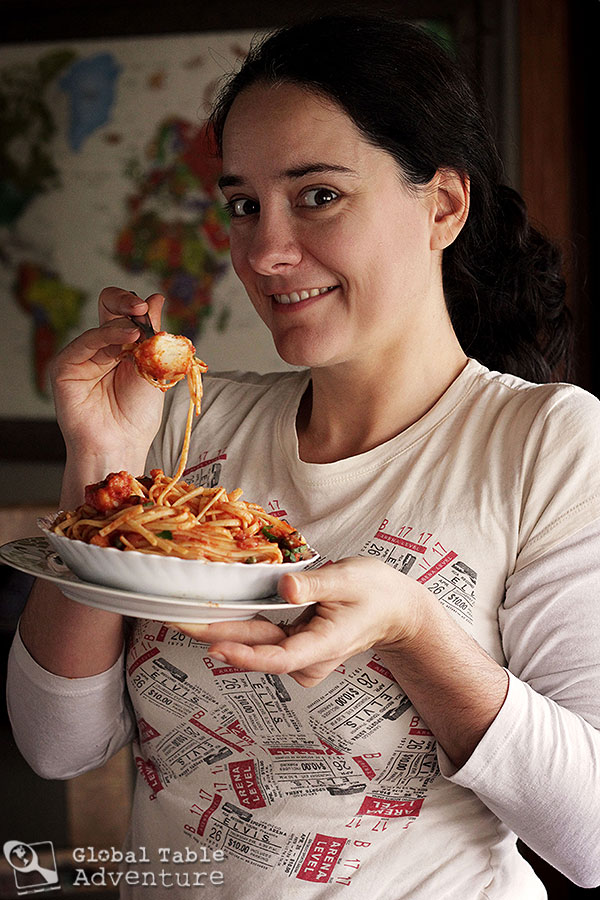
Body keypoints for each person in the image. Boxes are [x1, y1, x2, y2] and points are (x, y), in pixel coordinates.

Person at [7, 13, 600, 899]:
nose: (267, 253)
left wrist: (413, 629)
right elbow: (57, 746)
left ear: (443, 204)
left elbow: (591, 837)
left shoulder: (547, 441)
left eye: (318, 195)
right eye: (243, 205)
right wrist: (102, 461)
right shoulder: (186, 432)